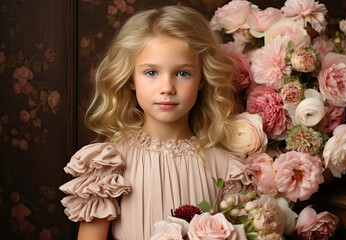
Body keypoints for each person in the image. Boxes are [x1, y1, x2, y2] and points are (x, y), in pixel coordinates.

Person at [59, 5, 249, 240]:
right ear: (130, 79)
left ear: (202, 78)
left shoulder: (226, 168)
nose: (167, 88)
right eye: (151, 73)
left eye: (182, 73)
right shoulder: (110, 164)